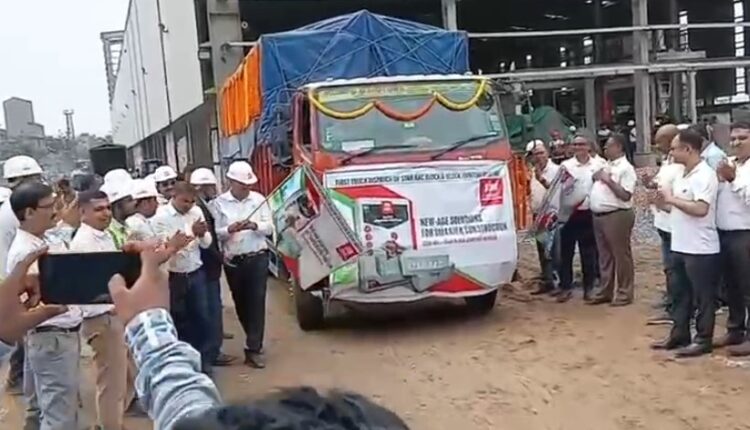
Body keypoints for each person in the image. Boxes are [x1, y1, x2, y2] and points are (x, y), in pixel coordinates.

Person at [7, 182, 83, 430]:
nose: (56, 211)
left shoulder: (41, 239)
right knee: (60, 416)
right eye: (49, 206)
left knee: (41, 407)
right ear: (29, 212)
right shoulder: (25, 252)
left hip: (51, 338)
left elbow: (66, 226)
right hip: (52, 337)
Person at [67, 189, 137, 429]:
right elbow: (88, 290)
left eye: (107, 208)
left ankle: (110, 423)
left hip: (112, 314)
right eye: (98, 209)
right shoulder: (84, 244)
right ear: (82, 212)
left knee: (123, 380)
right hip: (101, 318)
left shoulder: (104, 236)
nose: (106, 213)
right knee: (112, 384)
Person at [651, 129, 720, 358]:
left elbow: (701, 209)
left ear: (688, 149)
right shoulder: (682, 173)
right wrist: (662, 203)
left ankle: (703, 338)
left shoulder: (704, 175)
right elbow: (676, 208)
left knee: (703, 296)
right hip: (680, 243)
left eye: (674, 148)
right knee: (680, 292)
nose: (670, 153)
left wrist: (671, 200)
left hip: (700, 247)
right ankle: (679, 333)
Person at [211, 161, 273, 369]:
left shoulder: (259, 200)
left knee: (257, 302)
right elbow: (216, 233)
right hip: (234, 259)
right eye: (242, 184)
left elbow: (269, 227)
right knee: (241, 303)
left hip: (257, 256)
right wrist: (230, 229)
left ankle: (253, 347)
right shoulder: (219, 204)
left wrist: (254, 225)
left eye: (248, 184)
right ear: (231, 182)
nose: (246, 188)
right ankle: (251, 336)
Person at [151, 181, 214, 373]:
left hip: (195, 272)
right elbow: (166, 246)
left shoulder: (196, 212)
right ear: (174, 196)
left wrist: (202, 235)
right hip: (173, 276)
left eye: (192, 201)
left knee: (202, 318)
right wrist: (192, 232)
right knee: (179, 319)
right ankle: (183, 363)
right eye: (185, 201)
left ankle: (203, 361)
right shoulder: (160, 217)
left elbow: (206, 244)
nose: (189, 205)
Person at [0, 156, 44, 395]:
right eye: (33, 179)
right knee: (19, 332)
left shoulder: (10, 208)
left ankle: (24, 385)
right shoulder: (15, 212)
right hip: (10, 276)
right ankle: (18, 382)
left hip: (10, 275)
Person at [190, 167, 235, 367]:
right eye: (211, 186)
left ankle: (212, 349)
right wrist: (220, 258)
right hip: (206, 267)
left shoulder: (204, 205)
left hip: (208, 267)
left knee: (212, 308)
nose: (214, 190)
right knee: (210, 310)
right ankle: (212, 352)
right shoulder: (198, 209)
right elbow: (207, 242)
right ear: (202, 187)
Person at [713, 122, 750, 356]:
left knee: (748, 286)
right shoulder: (727, 162)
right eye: (733, 138)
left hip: (745, 233)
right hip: (724, 232)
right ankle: (735, 329)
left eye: (742, 138)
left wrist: (733, 179)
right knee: (731, 286)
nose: (736, 143)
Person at [588, 133, 637, 306]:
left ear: (619, 147)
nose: (605, 148)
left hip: (617, 214)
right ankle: (605, 290)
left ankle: (624, 292)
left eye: (608, 146)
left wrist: (608, 181)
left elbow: (625, 195)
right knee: (604, 255)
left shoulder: (626, 168)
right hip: (599, 215)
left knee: (621, 254)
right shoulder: (606, 164)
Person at [557, 132, 606, 303]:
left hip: (588, 213)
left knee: (589, 253)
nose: (578, 147)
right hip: (569, 214)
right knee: (566, 252)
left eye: (582, 144)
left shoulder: (599, 164)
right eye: (575, 144)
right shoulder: (565, 166)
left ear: (589, 146)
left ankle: (589, 288)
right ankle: (565, 287)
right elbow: (559, 190)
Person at [646, 124, 683, 325]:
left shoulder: (683, 165)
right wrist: (650, 184)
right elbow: (661, 184)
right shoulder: (668, 160)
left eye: (659, 141)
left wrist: (665, 204)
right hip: (663, 223)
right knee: (669, 269)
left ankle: (680, 309)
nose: (656, 145)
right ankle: (672, 304)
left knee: (677, 270)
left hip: (675, 225)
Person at [526, 140, 561, 295]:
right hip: (539, 215)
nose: (538, 156)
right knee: (542, 249)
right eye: (535, 154)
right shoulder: (533, 171)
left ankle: (559, 282)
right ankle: (547, 280)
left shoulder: (556, 170)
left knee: (554, 250)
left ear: (547, 153)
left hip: (552, 215)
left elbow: (556, 191)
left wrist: (542, 179)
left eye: (541, 153)